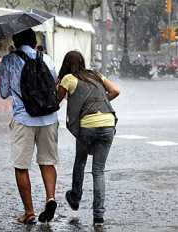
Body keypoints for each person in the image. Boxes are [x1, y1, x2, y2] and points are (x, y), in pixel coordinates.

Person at [0, 29, 59, 224]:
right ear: (34, 42)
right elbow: (54, 85)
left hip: (24, 118)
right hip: (48, 117)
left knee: (21, 166)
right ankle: (50, 198)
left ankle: (29, 212)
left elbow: (3, 92)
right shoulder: (47, 59)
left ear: (15, 42)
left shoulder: (9, 61)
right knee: (47, 161)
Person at [57, 51, 120, 227]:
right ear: (83, 62)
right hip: (108, 122)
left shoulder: (68, 78)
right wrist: (100, 102)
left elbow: (56, 101)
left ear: (66, 64)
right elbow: (115, 90)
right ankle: (99, 216)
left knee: (80, 161)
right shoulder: (96, 75)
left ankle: (75, 197)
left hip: (88, 125)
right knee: (98, 171)